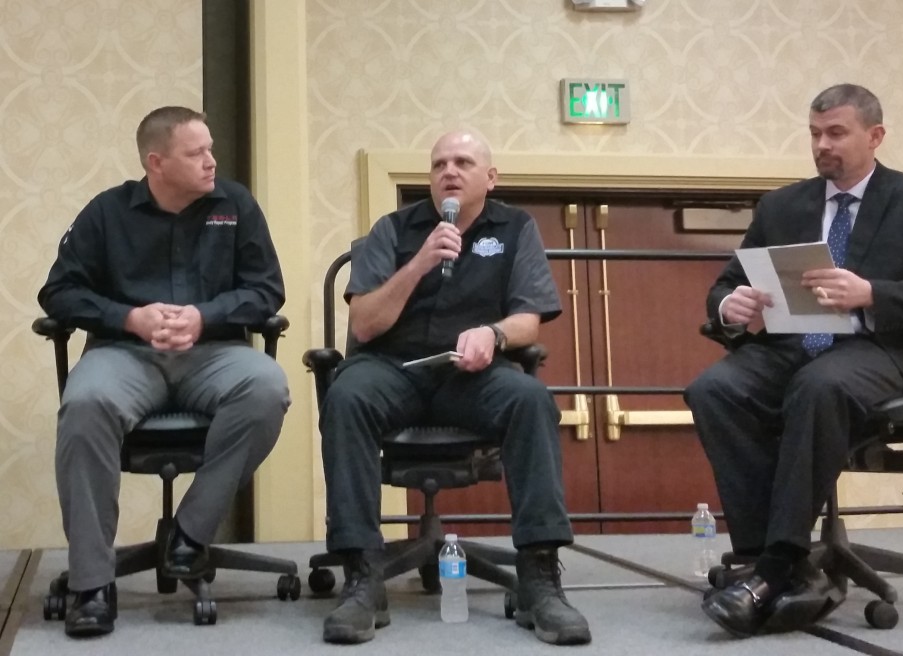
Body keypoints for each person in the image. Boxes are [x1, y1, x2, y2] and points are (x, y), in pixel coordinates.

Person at [685, 84, 903, 638]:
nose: (823, 145)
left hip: (882, 349)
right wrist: (731, 304)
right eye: (816, 133)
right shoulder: (782, 205)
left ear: (875, 136)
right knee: (713, 389)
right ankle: (762, 557)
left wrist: (871, 293)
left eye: (837, 133)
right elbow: (726, 283)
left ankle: (772, 571)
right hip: (793, 345)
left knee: (819, 387)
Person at [318, 129, 591, 646]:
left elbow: (528, 321)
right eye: (440, 163)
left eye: (464, 161)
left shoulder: (515, 228)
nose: (450, 170)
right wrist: (419, 262)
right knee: (346, 395)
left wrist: (493, 334)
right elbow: (365, 325)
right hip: (392, 369)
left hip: (472, 374)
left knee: (532, 399)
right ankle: (360, 575)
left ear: (490, 177)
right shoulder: (393, 229)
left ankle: (539, 576)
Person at [38, 106, 290, 638]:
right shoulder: (106, 213)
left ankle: (190, 534)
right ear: (157, 162)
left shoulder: (236, 205)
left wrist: (206, 316)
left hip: (213, 353)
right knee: (83, 405)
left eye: (211, 149)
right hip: (125, 353)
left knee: (267, 386)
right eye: (196, 153)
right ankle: (91, 583)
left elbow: (267, 290)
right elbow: (58, 292)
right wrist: (128, 317)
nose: (211, 162)